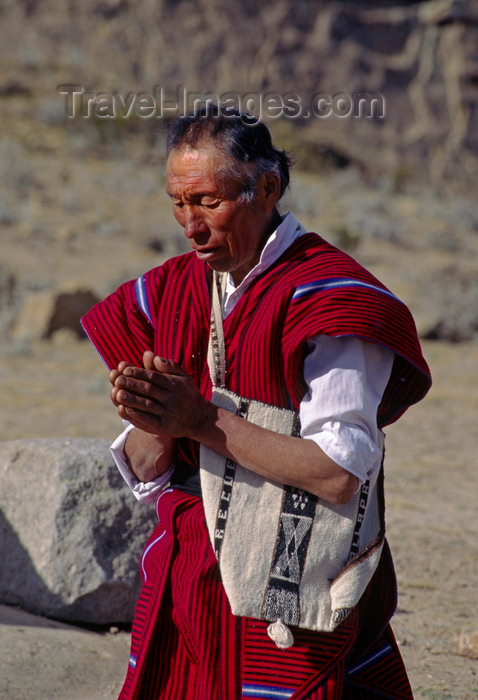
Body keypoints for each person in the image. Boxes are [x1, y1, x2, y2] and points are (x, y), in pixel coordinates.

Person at [82, 107, 431, 700]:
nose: (190, 226)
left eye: (209, 202)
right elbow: (145, 470)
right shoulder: (167, 291)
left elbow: (338, 472)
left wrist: (201, 419)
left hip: (290, 578)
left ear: (266, 188)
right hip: (185, 574)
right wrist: (156, 421)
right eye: (177, 203)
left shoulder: (331, 300)